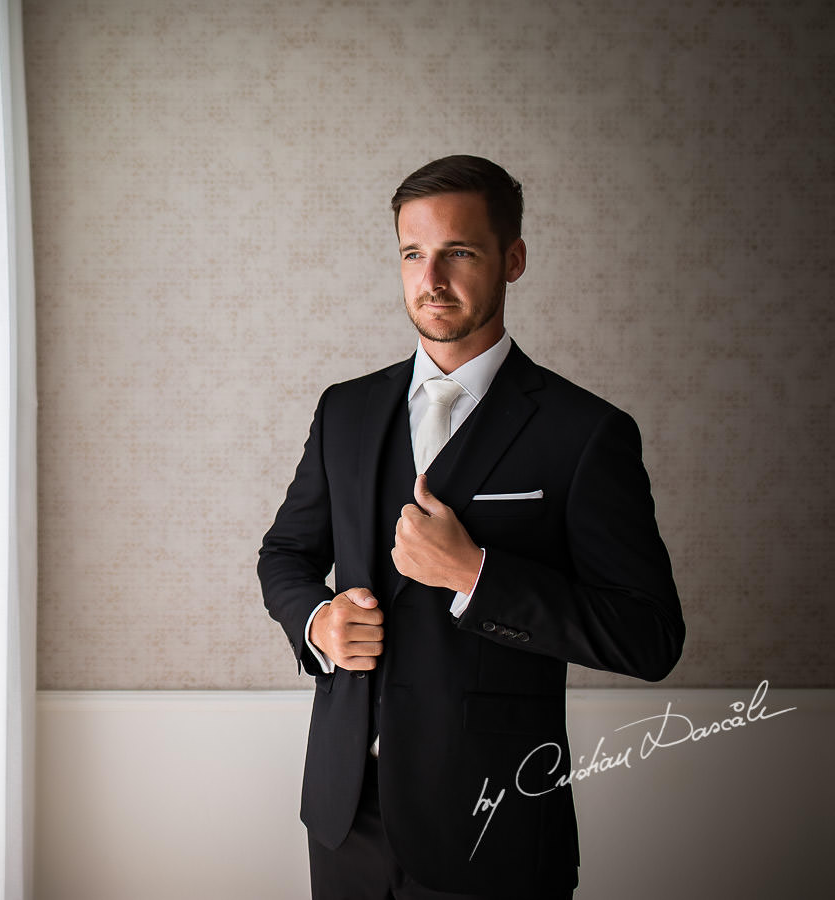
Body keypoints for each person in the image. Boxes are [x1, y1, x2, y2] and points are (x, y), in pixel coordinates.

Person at [258, 155, 685, 899]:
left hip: (495, 824)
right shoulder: (346, 411)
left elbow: (649, 637)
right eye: (413, 254)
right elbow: (284, 555)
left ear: (512, 260)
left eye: (459, 252)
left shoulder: (585, 433)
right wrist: (318, 621)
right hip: (342, 816)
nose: (432, 280)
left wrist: (475, 577)